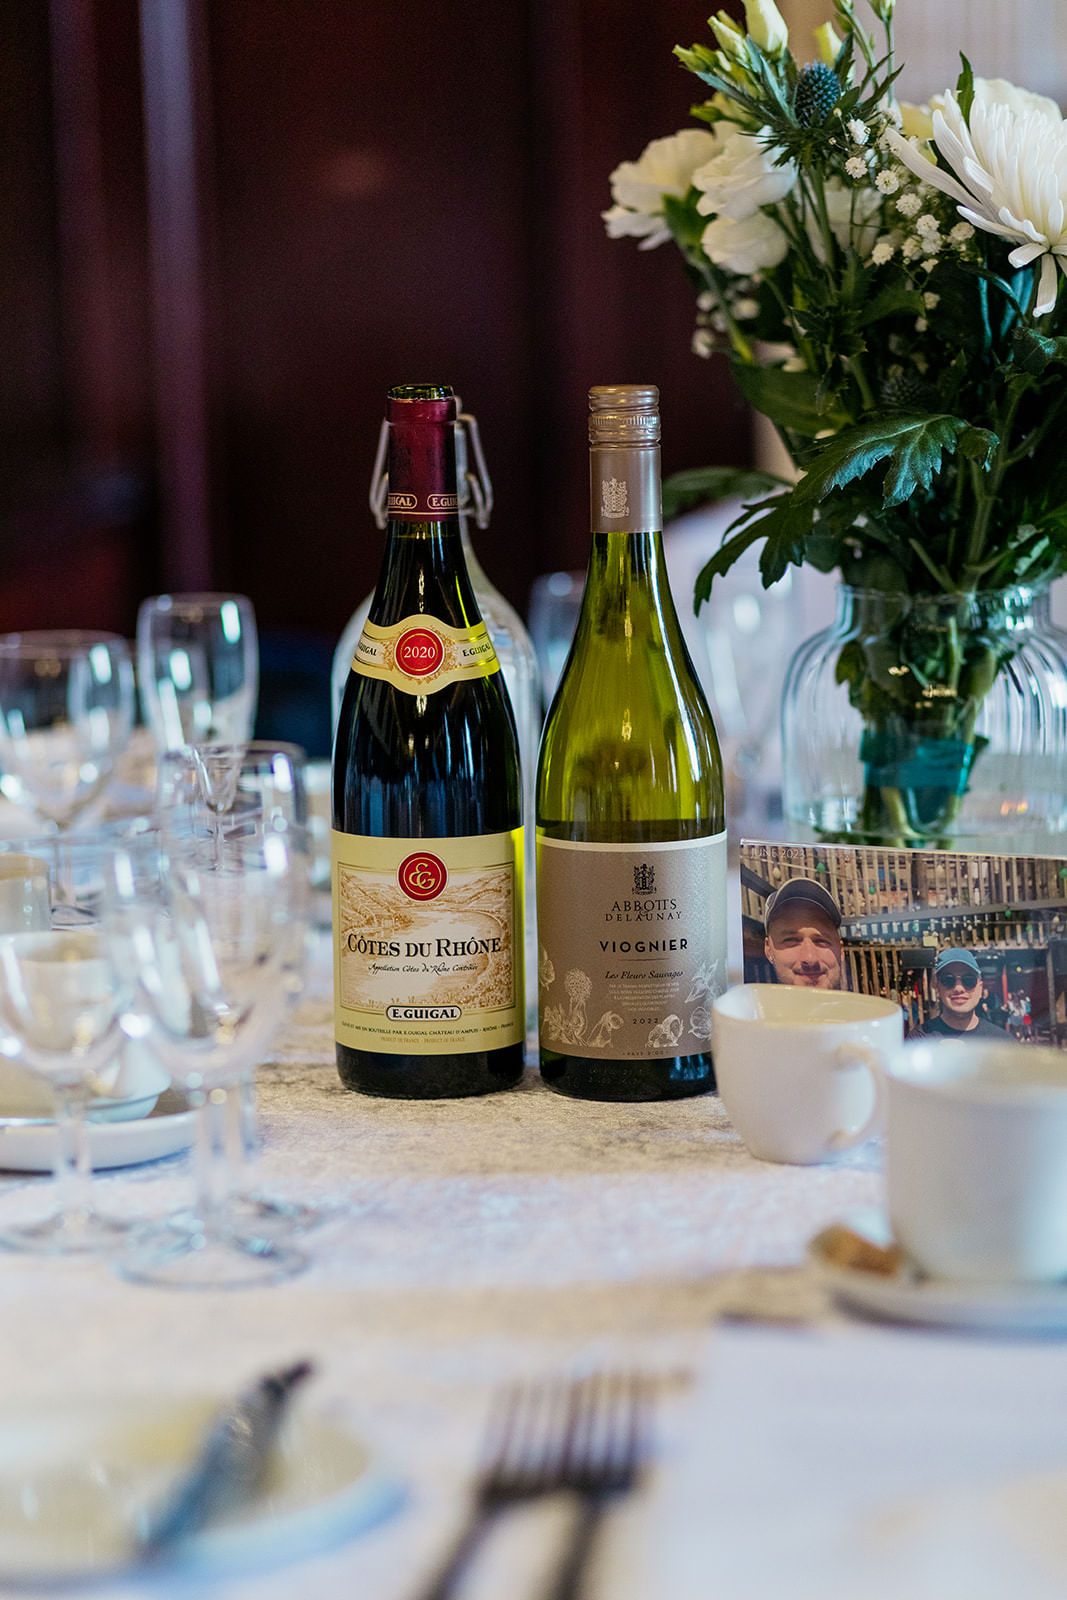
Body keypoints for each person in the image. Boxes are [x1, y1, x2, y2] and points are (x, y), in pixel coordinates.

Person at [763, 877, 844, 991]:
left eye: (821, 941)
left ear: (841, 950)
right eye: (791, 940)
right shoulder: (751, 1008)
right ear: (769, 950)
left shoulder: (869, 1008)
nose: (810, 958)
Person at [909, 948, 1008, 1038]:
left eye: (969, 980)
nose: (958, 988)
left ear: (980, 988)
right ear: (937, 987)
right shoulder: (919, 1040)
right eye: (948, 980)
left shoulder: (1002, 1042)